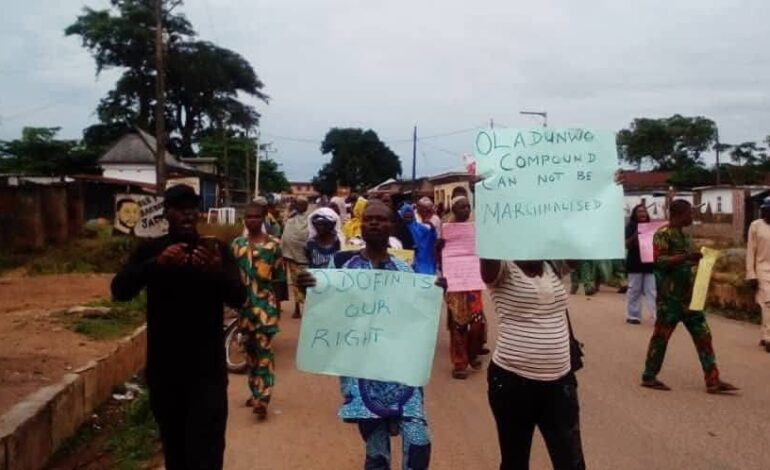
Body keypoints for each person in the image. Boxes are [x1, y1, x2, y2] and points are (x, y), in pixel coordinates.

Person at [296, 201, 444, 470]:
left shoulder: (404, 271)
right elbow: (325, 305)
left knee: (419, 439)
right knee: (377, 453)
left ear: (391, 227)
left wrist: (433, 292)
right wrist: (309, 285)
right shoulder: (342, 265)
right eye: (369, 219)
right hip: (361, 371)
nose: (374, 223)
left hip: (401, 373)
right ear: (361, 225)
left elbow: (416, 316)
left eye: (381, 219)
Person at [111, 184, 246, 470]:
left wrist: (216, 271)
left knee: (208, 448)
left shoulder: (216, 251)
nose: (187, 214)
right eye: (180, 209)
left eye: (192, 208)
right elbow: (120, 291)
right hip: (166, 371)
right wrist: (156, 265)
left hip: (208, 371)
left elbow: (239, 297)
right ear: (166, 213)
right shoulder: (151, 250)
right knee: (176, 449)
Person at [480, 256, 585, 470]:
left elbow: (578, 247)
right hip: (513, 383)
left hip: (560, 383)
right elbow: (488, 258)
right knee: (515, 461)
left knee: (570, 461)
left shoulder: (552, 264)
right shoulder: (502, 266)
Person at [640, 199, 738, 394]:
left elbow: (681, 263)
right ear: (679, 214)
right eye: (690, 214)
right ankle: (649, 376)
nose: (692, 217)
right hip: (670, 300)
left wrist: (697, 263)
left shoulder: (684, 237)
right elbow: (659, 262)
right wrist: (686, 258)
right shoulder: (662, 234)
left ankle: (713, 380)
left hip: (690, 298)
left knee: (704, 336)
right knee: (661, 337)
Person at [232, 198, 287, 420]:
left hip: (265, 308)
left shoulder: (273, 245)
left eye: (256, 216)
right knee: (250, 353)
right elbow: (231, 277)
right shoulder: (237, 245)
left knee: (264, 352)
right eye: (248, 217)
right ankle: (255, 392)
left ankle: (263, 398)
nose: (252, 220)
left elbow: (279, 278)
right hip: (244, 309)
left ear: (263, 218)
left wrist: (277, 309)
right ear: (244, 220)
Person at [443, 196, 487, 380]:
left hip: (473, 283)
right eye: (461, 207)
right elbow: (439, 255)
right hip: (454, 286)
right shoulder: (445, 231)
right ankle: (460, 363)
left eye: (468, 206)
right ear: (454, 209)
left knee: (477, 323)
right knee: (458, 325)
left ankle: (472, 353)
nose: (466, 210)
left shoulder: (476, 230)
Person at [625, 204, 657, 324]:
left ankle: (657, 316)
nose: (642, 214)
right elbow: (626, 244)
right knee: (634, 290)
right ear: (635, 214)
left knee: (652, 290)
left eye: (644, 212)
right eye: (639, 212)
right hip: (635, 262)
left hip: (649, 263)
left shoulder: (651, 227)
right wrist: (636, 233)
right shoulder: (630, 226)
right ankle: (633, 315)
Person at [746, 196, 770, 353]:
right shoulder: (756, 226)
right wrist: (751, 274)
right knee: (768, 302)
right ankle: (768, 338)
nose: (766, 213)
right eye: (765, 210)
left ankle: (764, 334)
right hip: (762, 269)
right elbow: (750, 251)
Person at [281, 197, 310, 318]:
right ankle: (301, 309)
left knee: (296, 284)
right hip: (304, 257)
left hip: (294, 257)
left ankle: (298, 309)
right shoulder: (310, 220)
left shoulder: (291, 220)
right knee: (305, 284)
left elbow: (285, 237)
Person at [398, 203, 438, 274]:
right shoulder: (398, 230)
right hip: (404, 260)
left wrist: (432, 229)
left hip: (422, 260)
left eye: (410, 217)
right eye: (406, 217)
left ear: (413, 216)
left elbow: (431, 240)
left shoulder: (421, 228)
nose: (408, 219)